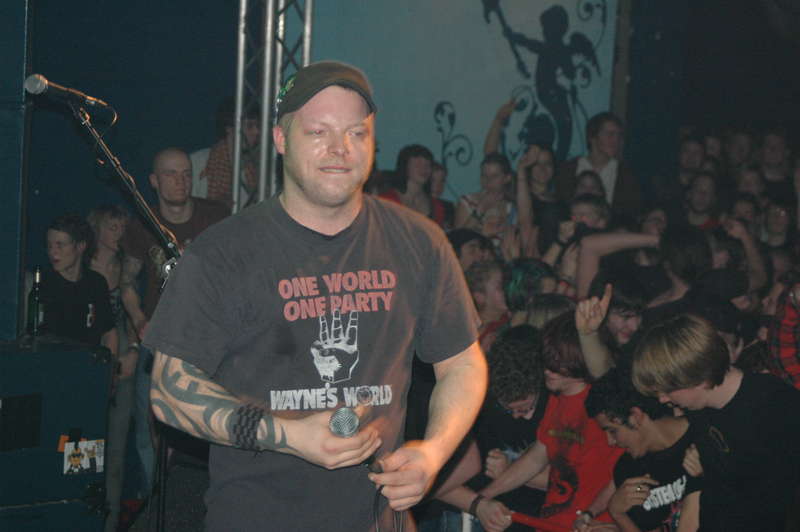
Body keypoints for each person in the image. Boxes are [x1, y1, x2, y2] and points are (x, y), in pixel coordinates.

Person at [143, 61, 488, 531]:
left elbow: (463, 364)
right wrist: (289, 435)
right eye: (318, 132)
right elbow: (168, 390)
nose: (340, 148)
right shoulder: (223, 252)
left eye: (356, 133)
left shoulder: (418, 241)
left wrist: (433, 453)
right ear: (281, 140)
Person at [120, 147, 229, 494]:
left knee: (210, 421)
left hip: (205, 341)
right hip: (159, 341)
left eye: (186, 173)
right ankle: (156, 499)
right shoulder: (142, 223)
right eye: (171, 174)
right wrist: (140, 319)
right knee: (149, 426)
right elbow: (126, 282)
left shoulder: (215, 217)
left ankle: (204, 498)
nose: (181, 181)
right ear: (154, 181)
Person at [632, 314, 800, 532]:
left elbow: (774, 501)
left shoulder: (774, 406)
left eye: (667, 391)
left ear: (696, 377)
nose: (663, 399)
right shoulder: (701, 409)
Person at [477, 312, 623, 531]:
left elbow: (607, 372)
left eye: (557, 361)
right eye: (547, 359)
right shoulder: (557, 400)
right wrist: (483, 497)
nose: (547, 369)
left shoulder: (603, 402)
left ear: (578, 358)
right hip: (552, 522)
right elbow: (538, 455)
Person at [584, 368, 701, 532]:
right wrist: (618, 515)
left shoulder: (703, 435)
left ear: (636, 416)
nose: (610, 442)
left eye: (612, 431)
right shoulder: (628, 469)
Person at [40, 213, 117, 353]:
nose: (53, 252)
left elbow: (109, 332)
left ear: (81, 246)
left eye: (60, 245)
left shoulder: (96, 283)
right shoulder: (41, 283)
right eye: (49, 245)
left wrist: (109, 363)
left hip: (88, 362)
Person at [554, 112, 641, 217]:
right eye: (610, 134)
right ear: (592, 137)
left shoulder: (627, 174)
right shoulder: (567, 170)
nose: (616, 140)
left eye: (619, 135)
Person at [198, 97, 262, 210]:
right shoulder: (199, 163)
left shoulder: (259, 167)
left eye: (258, 126)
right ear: (229, 128)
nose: (257, 132)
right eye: (250, 126)